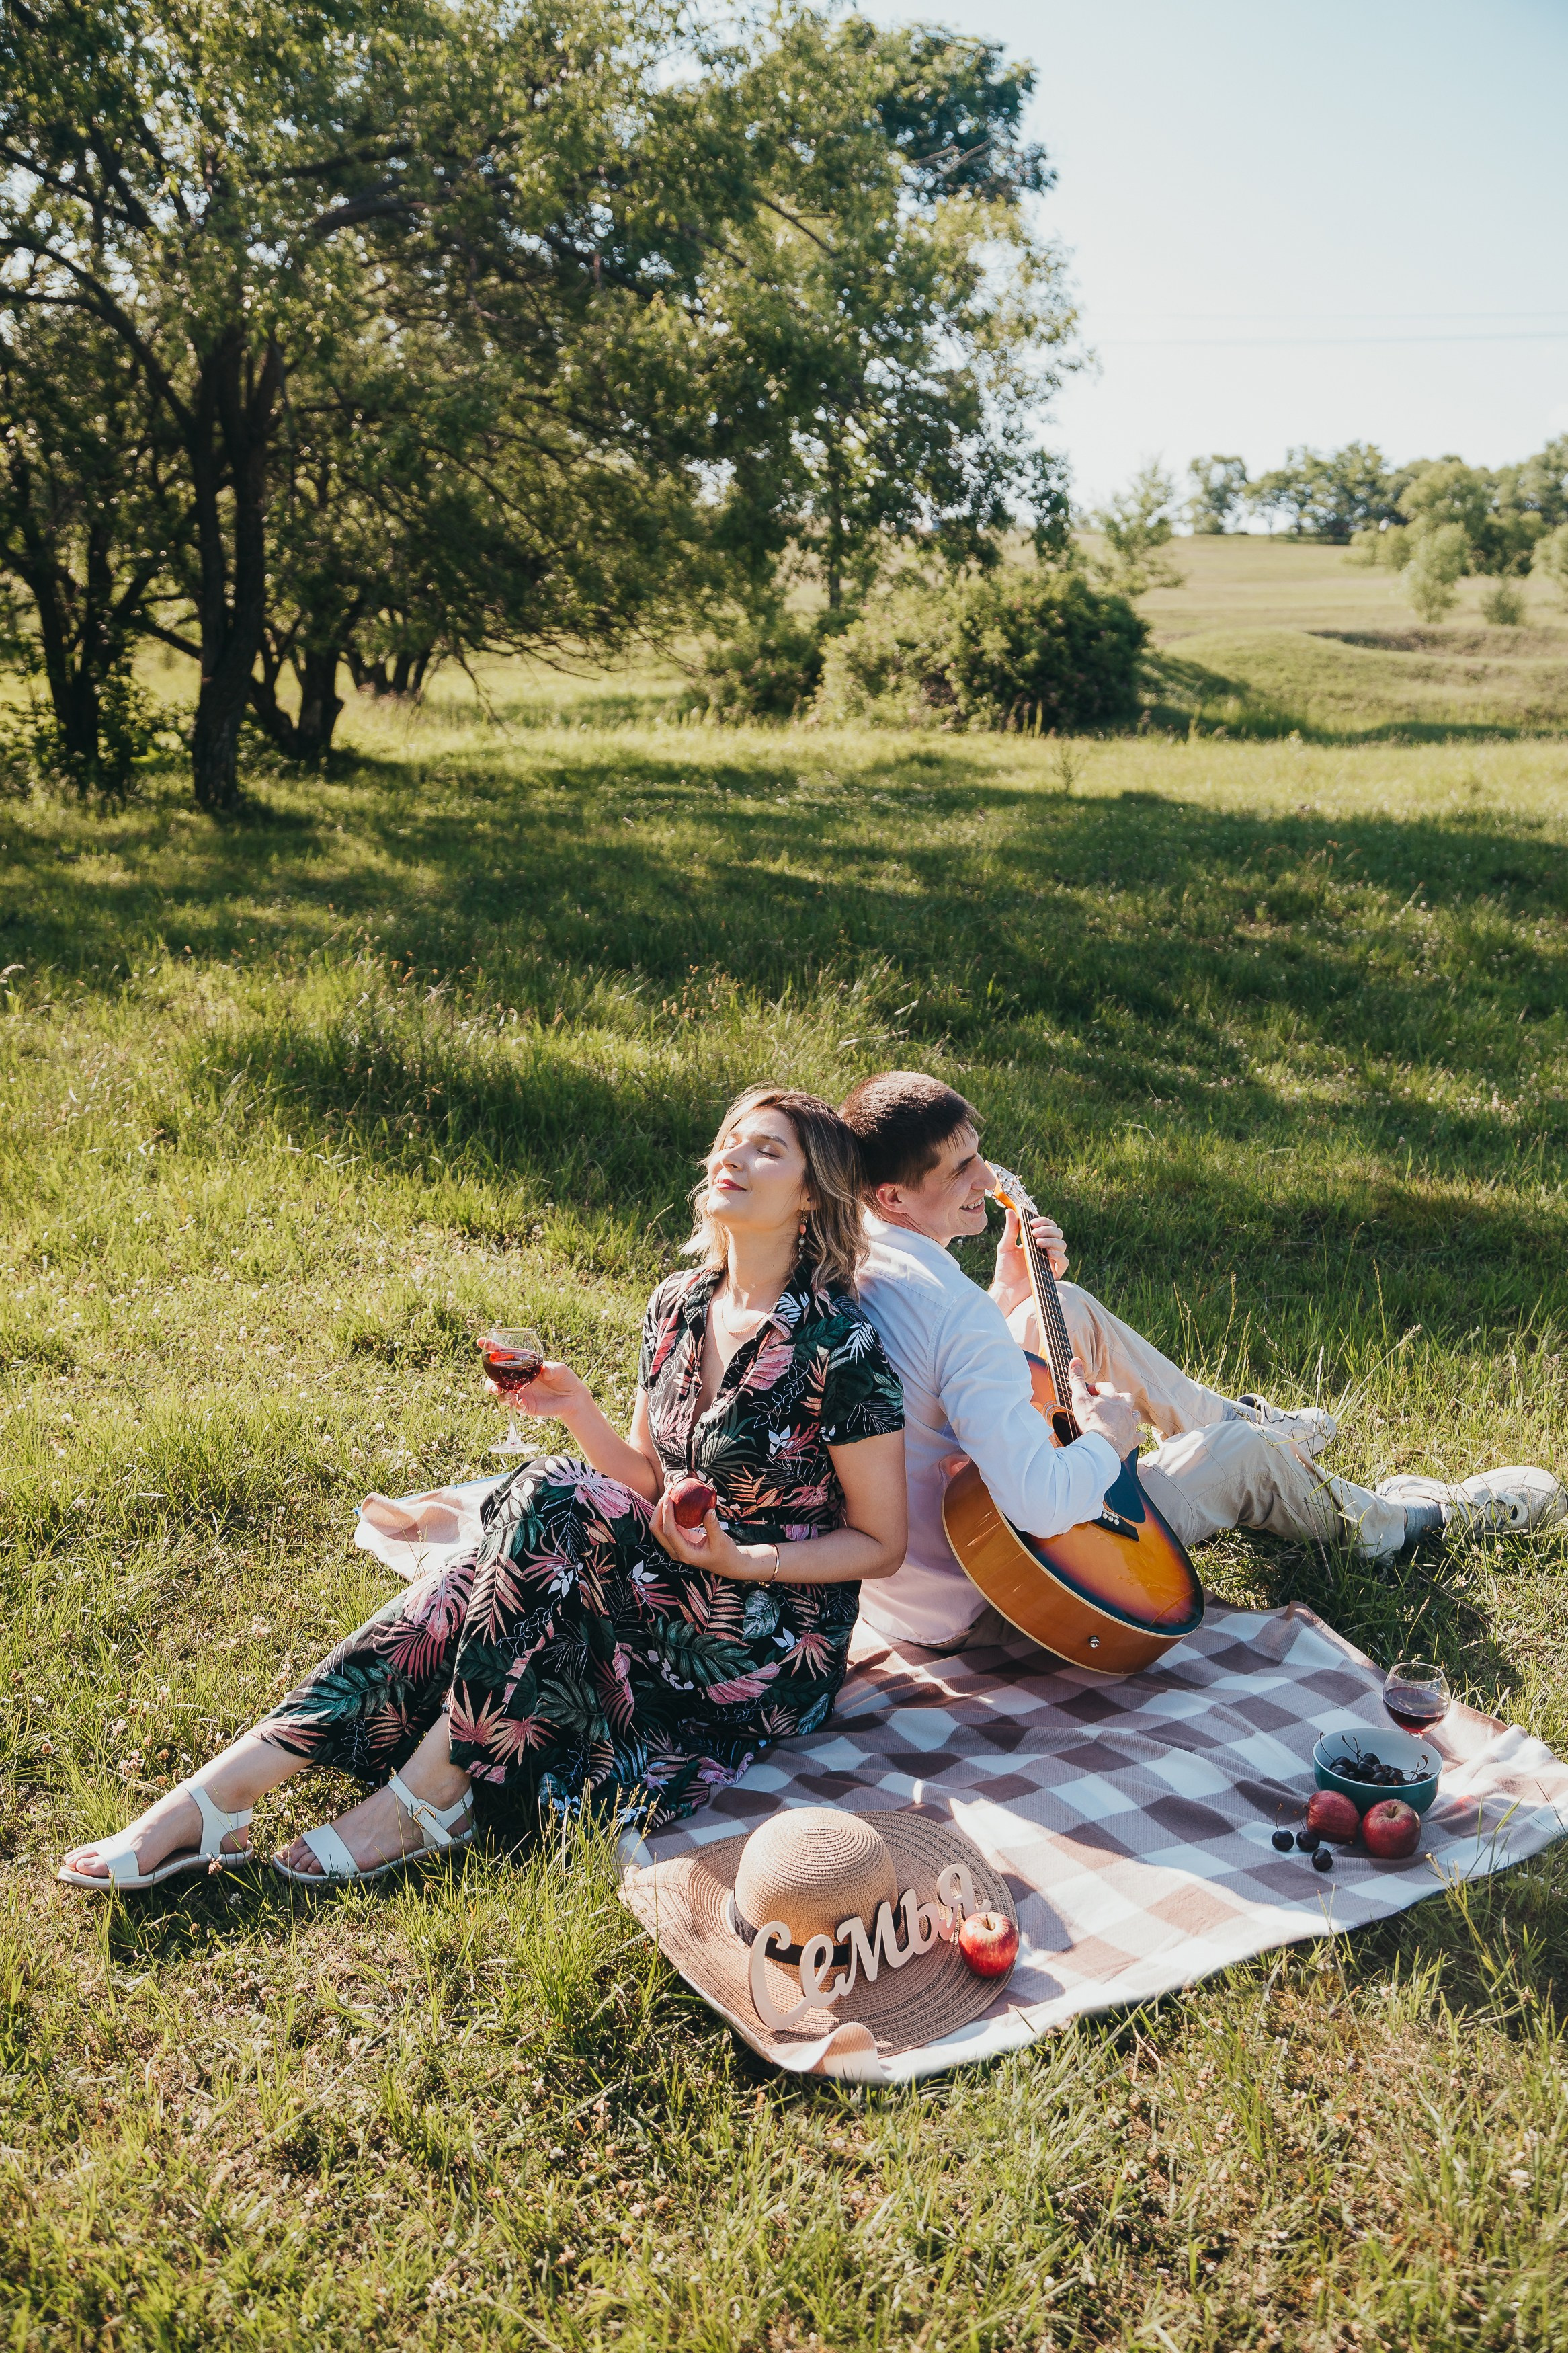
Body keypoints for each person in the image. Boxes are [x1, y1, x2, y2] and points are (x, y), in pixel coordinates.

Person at [59, 1089, 907, 1890]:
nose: (733, 1156)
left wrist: (744, 1557)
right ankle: (222, 1795)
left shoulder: (840, 1346)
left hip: (761, 1639)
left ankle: (424, 1790)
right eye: (731, 1140)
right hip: (663, 1580)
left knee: (537, 1504)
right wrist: (578, 1410)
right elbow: (652, 1478)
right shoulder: (678, 1305)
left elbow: (882, 1541)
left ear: (811, 1195)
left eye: (767, 1150)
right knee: (473, 1573)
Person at [839, 1070, 1565, 1653]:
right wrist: (1109, 1437)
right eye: (960, 1167)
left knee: (1068, 1307)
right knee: (1238, 1454)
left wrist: (1006, 1290)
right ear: (894, 1194)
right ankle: (1406, 1519)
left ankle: (1260, 1431)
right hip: (1013, 1585)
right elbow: (1038, 1502)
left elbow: (943, 1386)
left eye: (978, 1152)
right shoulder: (948, 1306)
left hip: (923, 1579)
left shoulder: (862, 1262)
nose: (985, 1176)